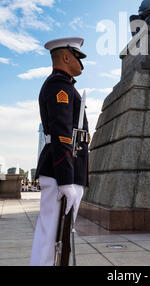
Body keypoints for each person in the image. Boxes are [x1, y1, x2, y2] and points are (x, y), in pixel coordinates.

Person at [30, 37, 89, 266]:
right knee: (50, 238)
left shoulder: (66, 86)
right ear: (66, 57)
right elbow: (62, 134)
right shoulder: (59, 86)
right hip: (60, 172)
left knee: (59, 237)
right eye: (78, 57)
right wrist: (66, 179)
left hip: (65, 170)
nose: (81, 63)